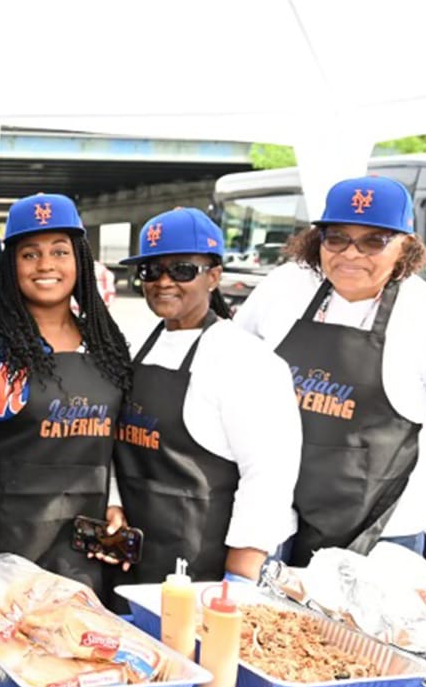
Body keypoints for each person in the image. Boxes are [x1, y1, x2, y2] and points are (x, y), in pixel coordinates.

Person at [236, 176, 426, 567]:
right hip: (278, 514)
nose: (351, 254)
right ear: (317, 240)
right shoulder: (285, 287)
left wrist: (408, 420)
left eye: (374, 241)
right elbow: (239, 363)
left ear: (406, 247)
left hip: (379, 530)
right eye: (337, 238)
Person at [0, 193, 132, 594]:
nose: (46, 265)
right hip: (3, 537)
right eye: (29, 254)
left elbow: (110, 445)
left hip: (84, 547)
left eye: (60, 252)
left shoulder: (106, 343)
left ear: (80, 260)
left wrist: (114, 503)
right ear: (11, 266)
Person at [101, 207, 300, 587]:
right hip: (132, 558)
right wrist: (114, 502)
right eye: (151, 271)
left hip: (205, 568)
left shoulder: (246, 359)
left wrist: (240, 575)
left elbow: (269, 476)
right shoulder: (135, 346)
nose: (163, 282)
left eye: (181, 270)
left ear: (213, 276)